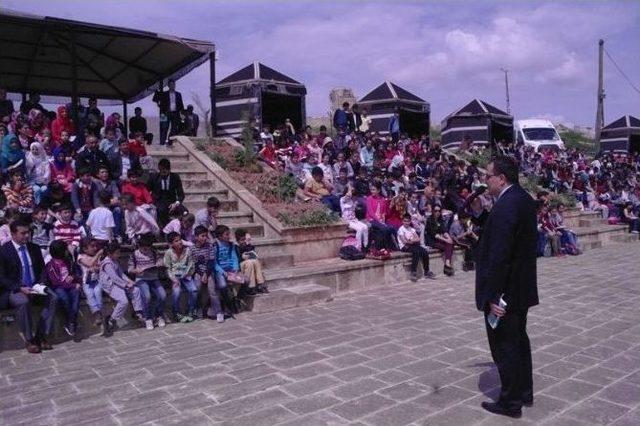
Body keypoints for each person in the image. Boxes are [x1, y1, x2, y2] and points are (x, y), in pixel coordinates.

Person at [475, 156, 538, 418]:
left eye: (488, 176)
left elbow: (500, 254)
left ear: (502, 179)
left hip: (506, 292)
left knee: (505, 345)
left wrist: (493, 296)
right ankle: (524, 392)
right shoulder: (523, 199)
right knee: (518, 341)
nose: (485, 181)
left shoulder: (506, 206)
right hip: (521, 288)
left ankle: (510, 402)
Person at [0, 218, 57, 353]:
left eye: (28, 232)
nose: (27, 235)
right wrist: (19, 288)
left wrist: (41, 282)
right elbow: (2, 277)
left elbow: (42, 269)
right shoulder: (3, 251)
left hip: (35, 286)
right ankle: (29, 340)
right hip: (15, 289)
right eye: (23, 233)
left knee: (53, 297)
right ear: (13, 234)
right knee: (23, 302)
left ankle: (41, 336)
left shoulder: (34, 248)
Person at [100, 241, 145, 336]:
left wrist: (129, 281)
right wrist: (125, 285)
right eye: (116, 253)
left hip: (119, 284)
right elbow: (114, 278)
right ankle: (111, 319)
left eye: (119, 252)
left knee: (136, 290)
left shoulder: (115, 261)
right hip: (111, 286)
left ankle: (138, 312)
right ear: (109, 253)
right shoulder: (107, 263)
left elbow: (121, 274)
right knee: (123, 301)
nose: (118, 255)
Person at [128, 233, 167, 330]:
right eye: (143, 248)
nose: (146, 250)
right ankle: (148, 318)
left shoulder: (153, 252)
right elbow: (129, 269)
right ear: (139, 246)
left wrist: (159, 263)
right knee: (147, 296)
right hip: (141, 279)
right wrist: (137, 270)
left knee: (163, 295)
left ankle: (159, 316)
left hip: (153, 277)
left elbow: (161, 261)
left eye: (147, 248)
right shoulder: (134, 255)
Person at [46, 240, 81, 337]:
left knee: (76, 295)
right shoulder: (51, 265)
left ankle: (71, 321)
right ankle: (70, 321)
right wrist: (73, 285)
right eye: (65, 249)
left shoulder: (68, 261)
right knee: (64, 298)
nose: (67, 251)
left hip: (70, 286)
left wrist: (73, 277)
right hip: (59, 287)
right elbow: (56, 283)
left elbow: (76, 273)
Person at [164, 231, 198, 322]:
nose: (179, 242)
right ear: (171, 244)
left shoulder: (187, 251)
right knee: (176, 292)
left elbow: (191, 264)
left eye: (180, 240)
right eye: (176, 241)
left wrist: (186, 273)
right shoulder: (168, 253)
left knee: (194, 290)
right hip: (175, 277)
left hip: (186, 275)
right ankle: (176, 313)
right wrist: (174, 280)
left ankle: (191, 310)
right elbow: (168, 268)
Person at [148, 158, 185, 227]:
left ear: (169, 170)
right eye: (160, 171)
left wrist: (176, 203)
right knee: (161, 211)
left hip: (171, 201)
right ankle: (164, 231)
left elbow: (181, 195)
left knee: (185, 212)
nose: (162, 173)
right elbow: (147, 191)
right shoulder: (154, 177)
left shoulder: (175, 177)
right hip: (158, 201)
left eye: (164, 172)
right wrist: (150, 202)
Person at [398, 214, 436, 281]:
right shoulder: (401, 229)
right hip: (404, 246)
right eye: (405, 221)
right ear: (402, 221)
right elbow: (404, 241)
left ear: (410, 222)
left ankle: (427, 271)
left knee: (424, 252)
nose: (406, 223)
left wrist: (411, 241)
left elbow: (418, 239)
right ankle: (413, 272)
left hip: (412, 245)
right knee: (416, 252)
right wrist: (412, 241)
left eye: (408, 221)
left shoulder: (411, 229)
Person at [77, 238, 104, 326]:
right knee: (90, 295)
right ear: (84, 249)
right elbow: (89, 263)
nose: (95, 248)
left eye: (96, 246)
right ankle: (97, 313)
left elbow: (99, 267)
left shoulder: (97, 257)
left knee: (98, 294)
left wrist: (97, 268)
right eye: (92, 246)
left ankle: (98, 314)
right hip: (86, 283)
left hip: (96, 281)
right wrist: (98, 255)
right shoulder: (80, 257)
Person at [235, 228, 267, 295]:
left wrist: (248, 244)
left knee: (255, 261)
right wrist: (242, 257)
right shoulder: (235, 247)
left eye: (244, 239)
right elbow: (236, 260)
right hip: (240, 266)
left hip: (249, 264)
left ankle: (260, 284)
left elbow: (252, 251)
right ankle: (250, 287)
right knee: (250, 262)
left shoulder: (247, 245)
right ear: (237, 240)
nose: (244, 241)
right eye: (242, 240)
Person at [425, 206, 455, 276]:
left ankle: (447, 264)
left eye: (439, 211)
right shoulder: (429, 220)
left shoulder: (440, 220)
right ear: (433, 211)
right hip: (432, 240)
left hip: (439, 239)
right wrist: (446, 240)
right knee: (447, 246)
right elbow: (434, 235)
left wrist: (449, 238)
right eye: (436, 211)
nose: (437, 212)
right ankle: (447, 266)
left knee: (450, 244)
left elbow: (444, 230)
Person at [153, 79, 184, 145]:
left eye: (173, 85)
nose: (172, 86)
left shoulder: (178, 94)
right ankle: (162, 143)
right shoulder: (164, 94)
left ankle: (170, 142)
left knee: (174, 128)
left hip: (175, 113)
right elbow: (156, 100)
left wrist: (182, 114)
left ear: (175, 85)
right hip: (165, 113)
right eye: (171, 85)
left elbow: (181, 105)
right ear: (168, 85)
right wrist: (159, 105)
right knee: (164, 128)